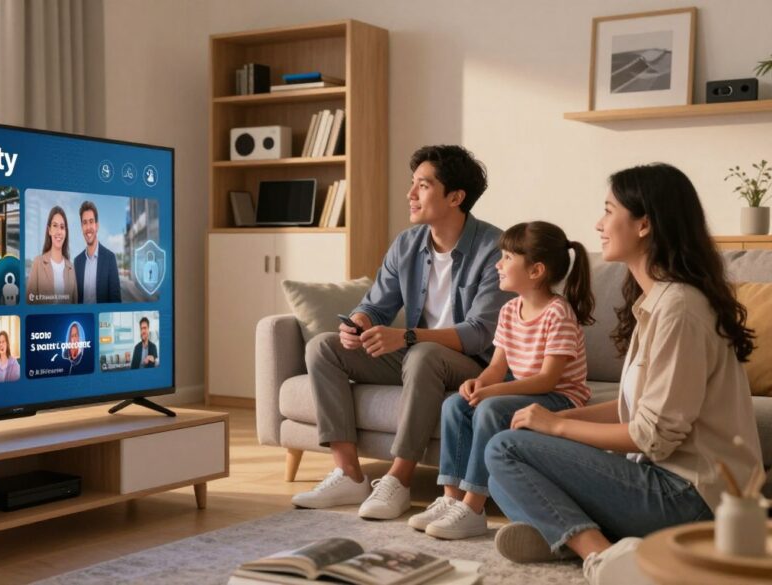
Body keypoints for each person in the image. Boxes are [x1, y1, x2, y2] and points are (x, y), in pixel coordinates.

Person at [484, 164, 762, 585]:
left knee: (505, 451)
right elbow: (632, 408)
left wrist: (558, 425)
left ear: (645, 223)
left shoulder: (678, 309)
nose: (598, 223)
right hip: (670, 485)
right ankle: (581, 532)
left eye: (609, 210)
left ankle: (599, 554)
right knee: (508, 451)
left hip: (694, 499)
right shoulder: (658, 302)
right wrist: (551, 421)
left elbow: (651, 434)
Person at [291, 145, 513, 520]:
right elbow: (376, 305)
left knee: (422, 353)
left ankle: (399, 479)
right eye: (413, 184)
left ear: (456, 197)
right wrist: (359, 321)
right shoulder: (407, 244)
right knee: (322, 347)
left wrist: (408, 336)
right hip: (418, 358)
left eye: (422, 186)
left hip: (475, 365)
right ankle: (348, 473)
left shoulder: (495, 249)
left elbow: (480, 334)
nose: (410, 194)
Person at [416, 221, 594, 540]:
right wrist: (479, 384)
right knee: (456, 404)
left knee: (491, 410)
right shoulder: (510, 310)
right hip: (532, 392)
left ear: (536, 270)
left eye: (508, 258)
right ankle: (451, 498)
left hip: (560, 397)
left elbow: (548, 380)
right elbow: (496, 368)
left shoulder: (558, 313)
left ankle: (473, 507)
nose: (498, 264)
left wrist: (493, 393)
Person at [74, 201, 122, 303]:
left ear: (97, 226)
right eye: (84, 223)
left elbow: (116, 301)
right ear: (81, 227)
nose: (88, 227)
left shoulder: (110, 258)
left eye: (91, 222)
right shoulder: (77, 262)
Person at [27, 206, 77, 303]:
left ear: (65, 232)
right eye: (55, 226)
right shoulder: (38, 263)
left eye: (62, 227)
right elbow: (29, 302)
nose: (59, 231)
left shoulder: (71, 268)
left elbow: (75, 306)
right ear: (49, 230)